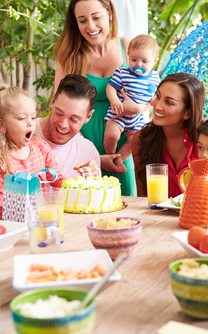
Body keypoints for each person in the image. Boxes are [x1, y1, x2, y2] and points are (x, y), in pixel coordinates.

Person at [0, 74, 101, 217]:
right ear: (52, 101)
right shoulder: (1, 146)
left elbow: (58, 179)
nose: (63, 124)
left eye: (74, 119)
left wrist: (84, 183)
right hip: (13, 222)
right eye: (59, 113)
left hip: (43, 222)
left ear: (88, 117)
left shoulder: (43, 148)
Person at [54, 0, 151, 196]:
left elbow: (151, 92)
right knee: (87, 203)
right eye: (82, 20)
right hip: (83, 141)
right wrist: (93, 156)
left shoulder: (127, 46)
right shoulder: (70, 56)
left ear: (110, 14)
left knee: (126, 202)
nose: (90, 26)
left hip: (122, 143)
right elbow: (57, 109)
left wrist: (140, 109)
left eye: (96, 17)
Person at [0, 85, 67, 220]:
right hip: (11, 228)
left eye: (33, 117)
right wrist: (28, 218)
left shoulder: (41, 148)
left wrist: (77, 186)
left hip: (39, 223)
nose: (30, 124)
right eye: (22, 118)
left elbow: (57, 179)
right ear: (2, 125)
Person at [132, 73, 204, 198]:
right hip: (157, 216)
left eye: (169, 102)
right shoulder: (140, 139)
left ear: (188, 113)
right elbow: (143, 197)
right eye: (158, 96)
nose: (157, 105)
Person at [104, 34, 161, 172]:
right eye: (134, 59)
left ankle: (119, 159)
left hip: (137, 119)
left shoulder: (155, 78)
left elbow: (155, 98)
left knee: (136, 142)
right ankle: (110, 156)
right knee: (111, 135)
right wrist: (114, 100)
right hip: (118, 113)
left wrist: (155, 102)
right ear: (128, 55)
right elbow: (111, 87)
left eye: (144, 61)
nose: (138, 64)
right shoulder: (122, 72)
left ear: (154, 61)